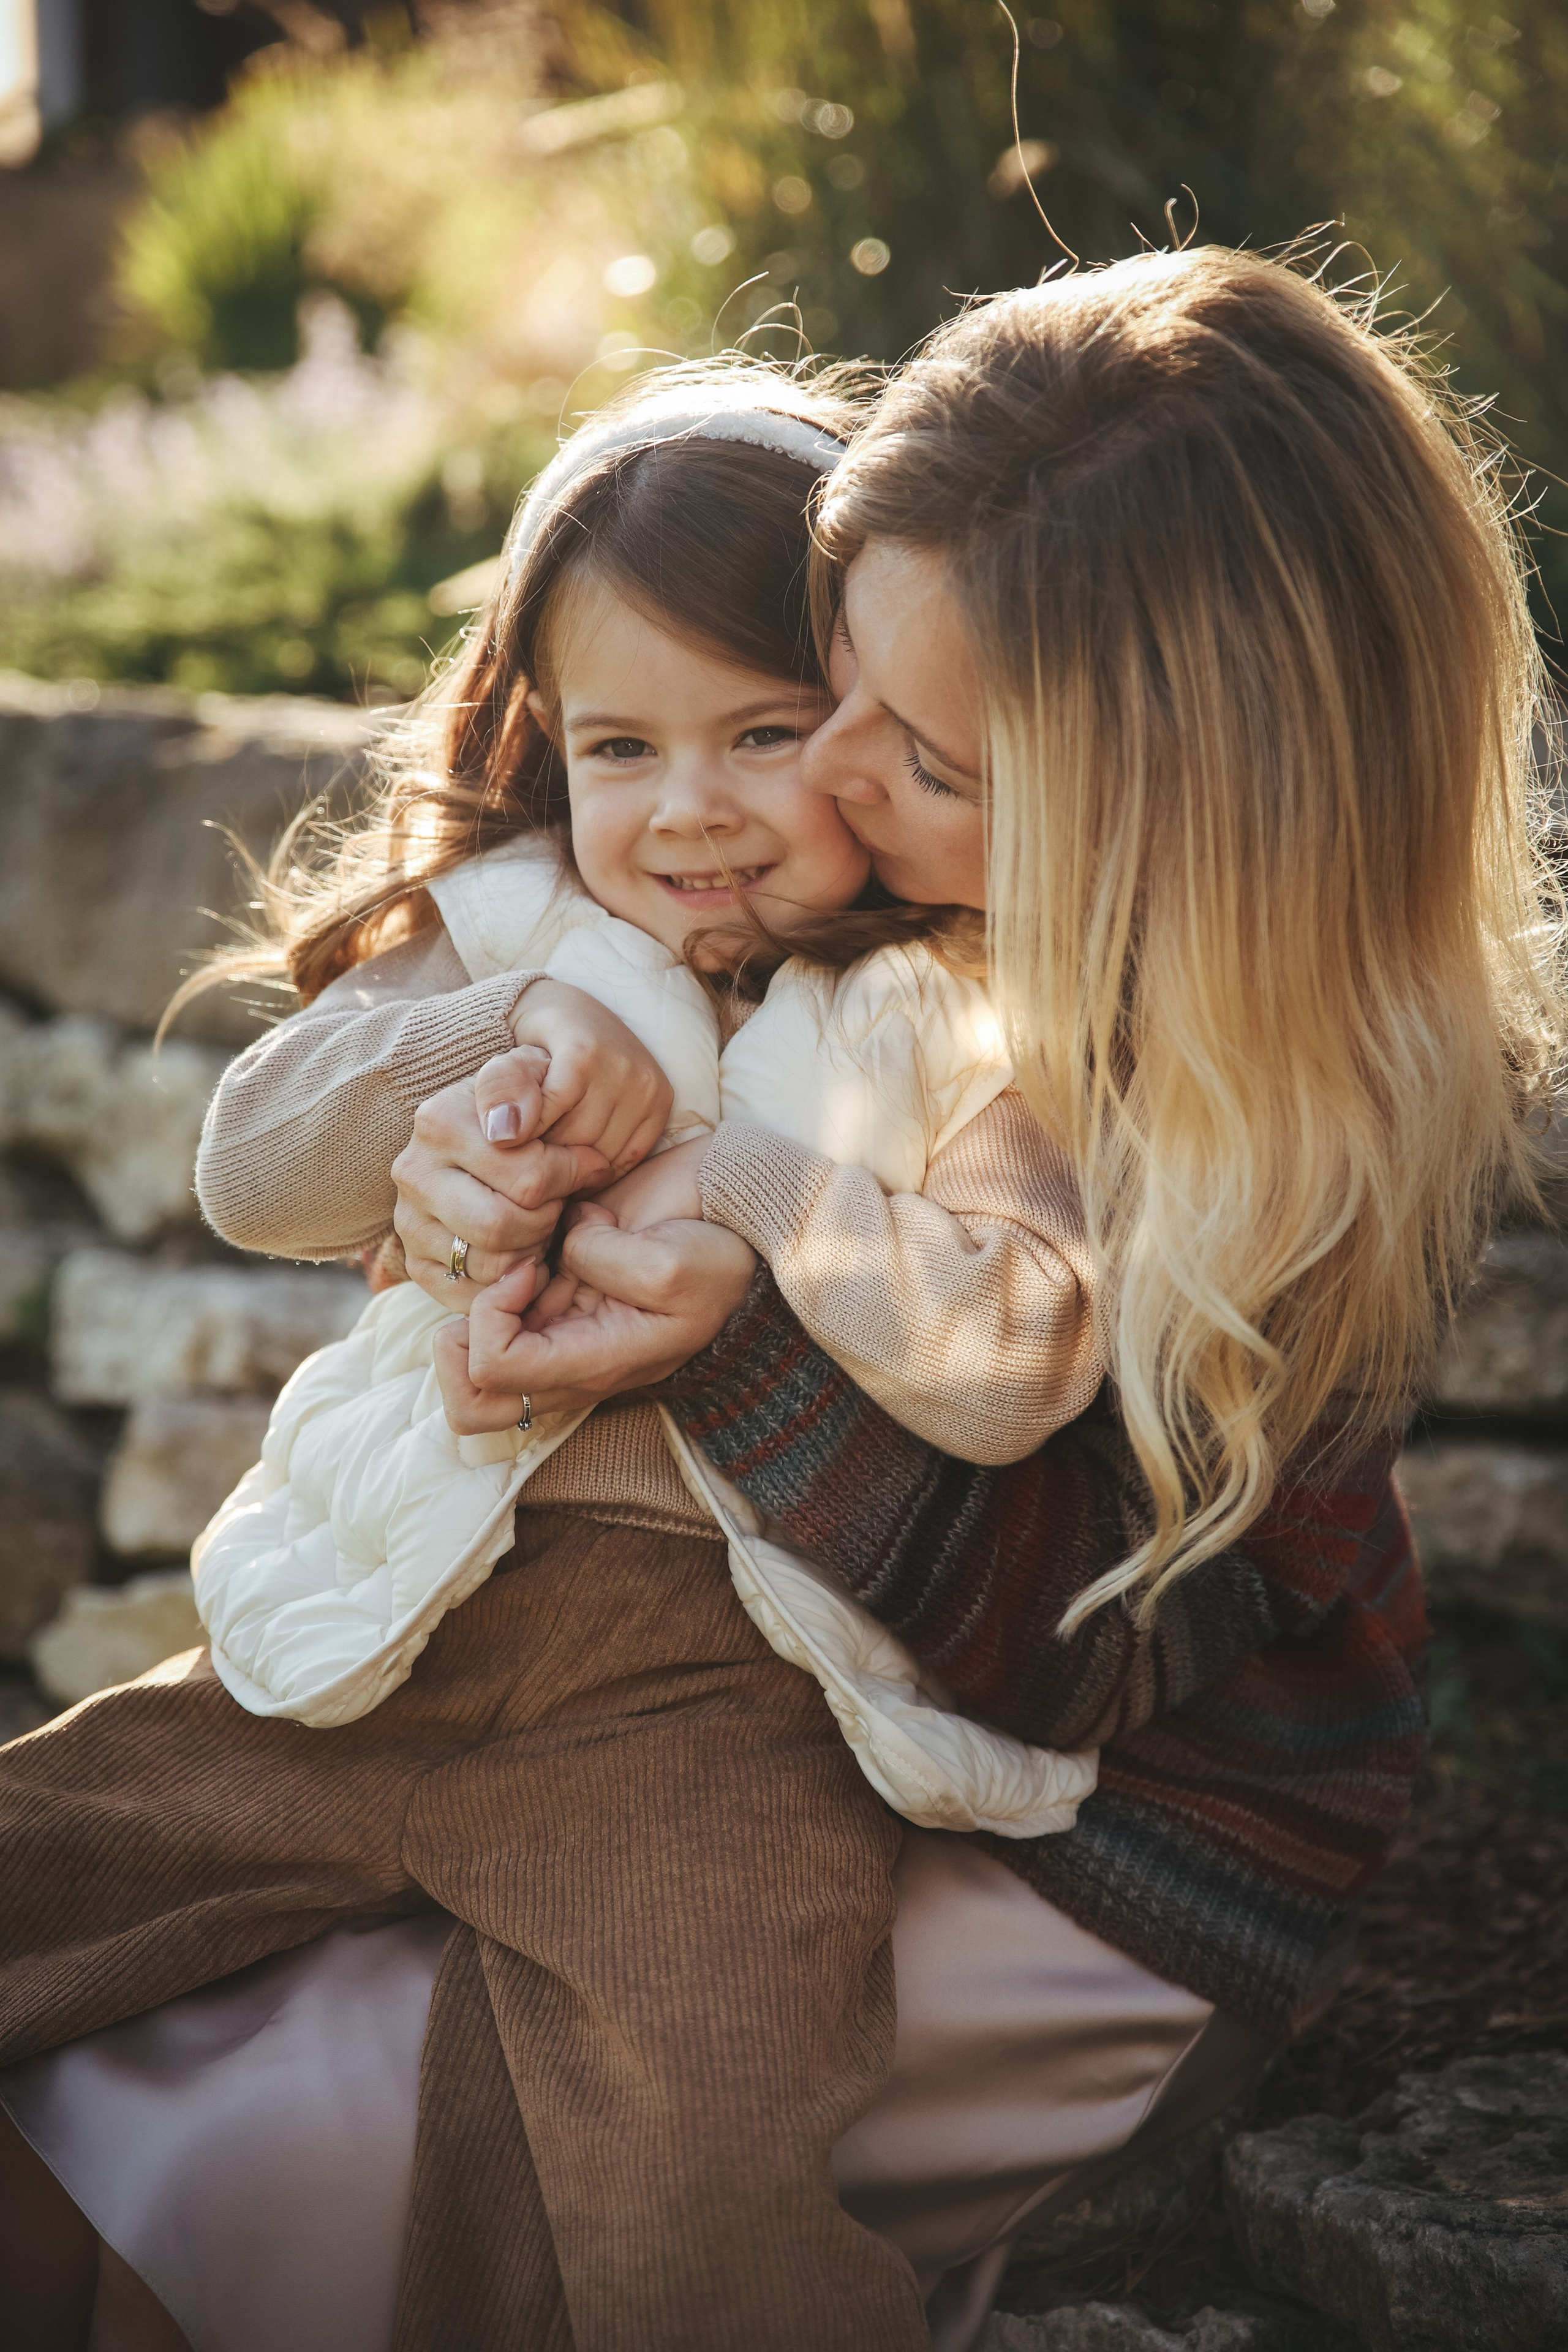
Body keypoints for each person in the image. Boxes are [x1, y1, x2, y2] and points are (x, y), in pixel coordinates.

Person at [1, 241, 1551, 2352]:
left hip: (1067, 1828)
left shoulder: (1192, 1088)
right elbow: (309, 1162)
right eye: (850, 693)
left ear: (1173, 801)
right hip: (690, 1684)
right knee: (129, 2028)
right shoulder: (820, 928)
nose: (794, 802)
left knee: (301, 2153)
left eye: (905, 752)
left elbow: (1071, 1647)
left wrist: (727, 1310)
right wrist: (487, 1170)